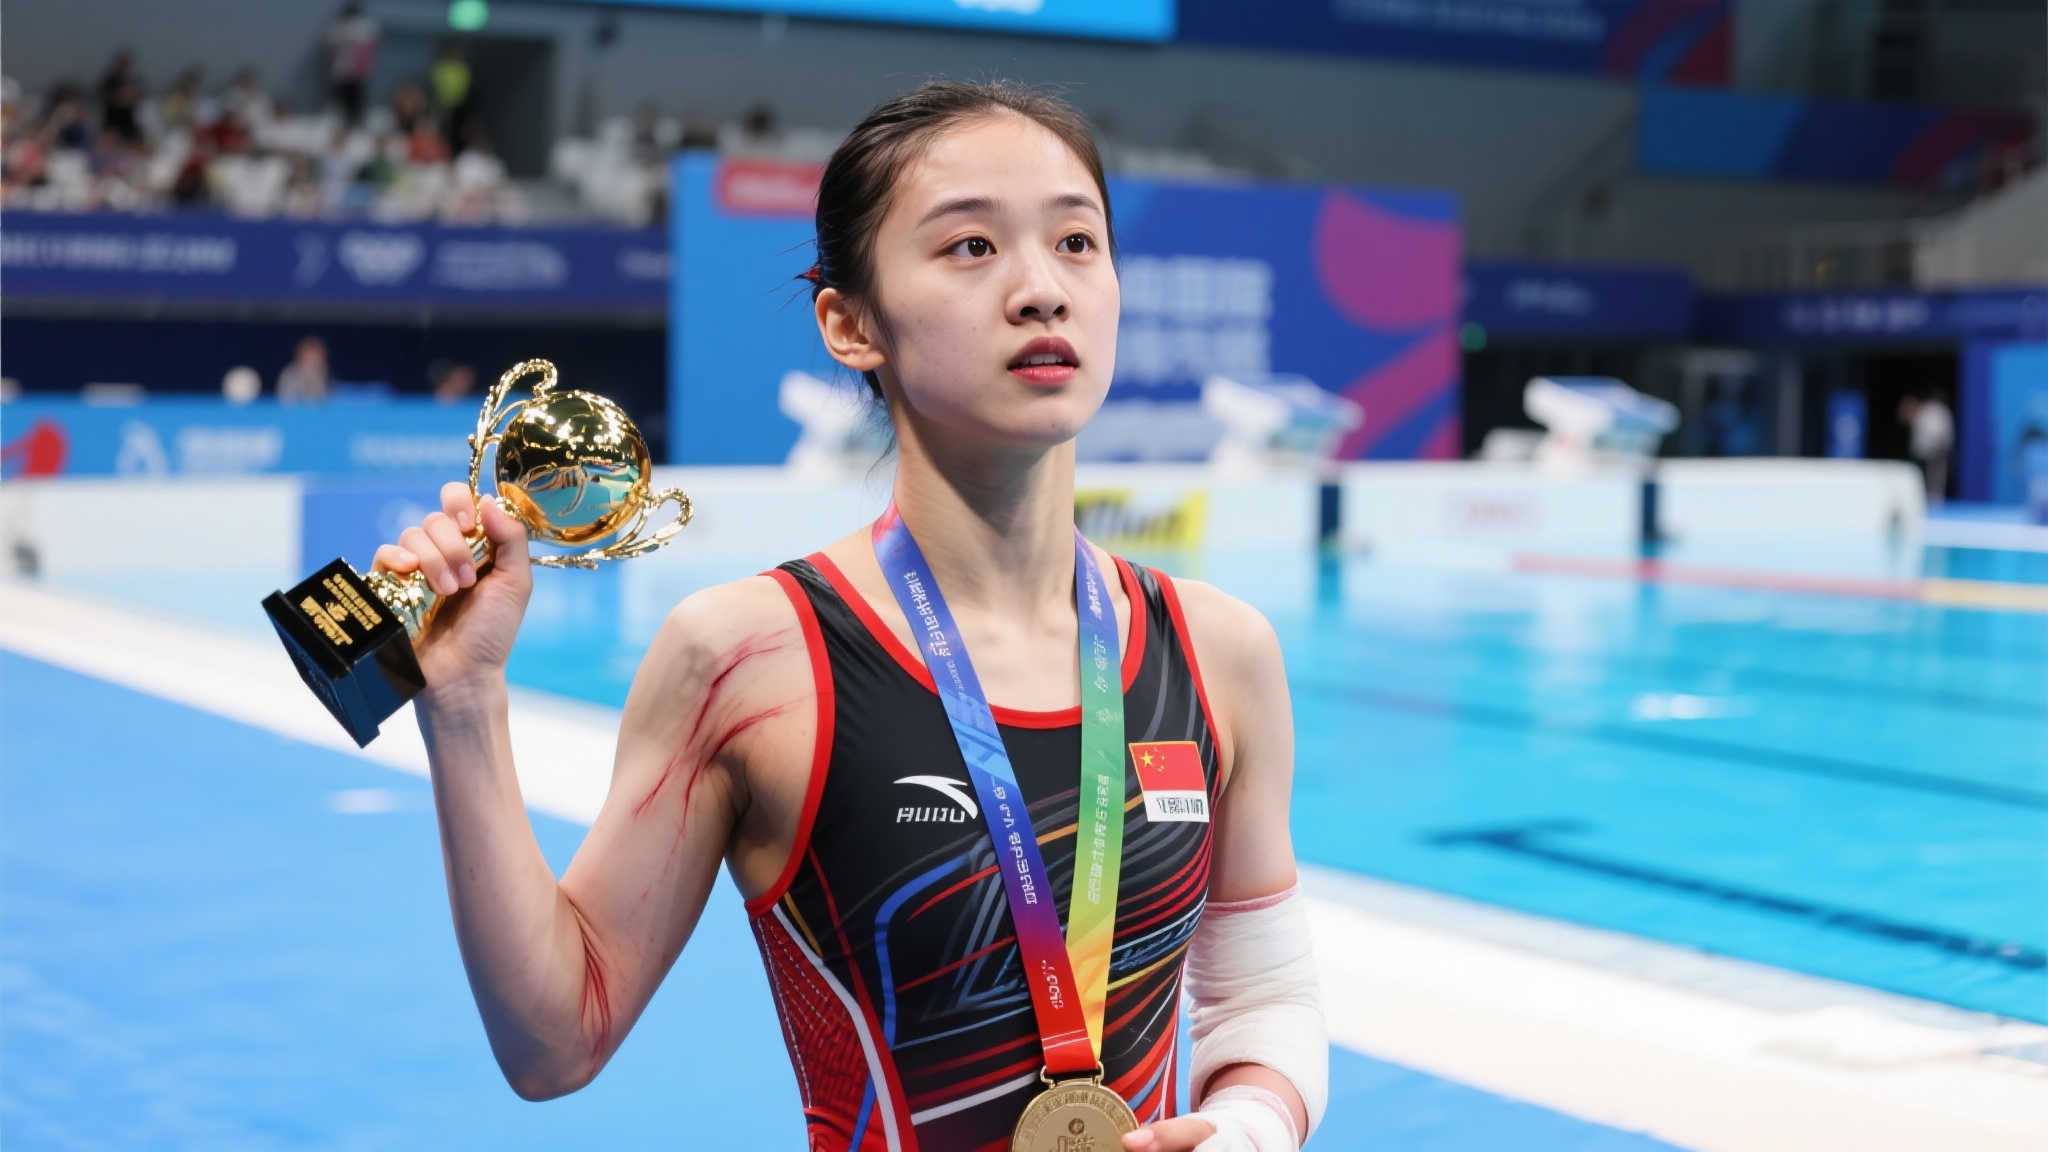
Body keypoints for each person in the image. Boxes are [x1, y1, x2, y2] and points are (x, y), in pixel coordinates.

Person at [373, 81, 1326, 1152]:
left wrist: (1248, 1128)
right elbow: (556, 1040)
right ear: (851, 323)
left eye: (1075, 242)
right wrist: (464, 705)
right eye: (971, 247)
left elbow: (1264, 999)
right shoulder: (746, 661)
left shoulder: (1218, 653)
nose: (1040, 291)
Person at [324, 2, 380, 129]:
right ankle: (343, 123)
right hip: (341, 71)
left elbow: (370, 48)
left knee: (356, 101)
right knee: (342, 100)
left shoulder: (364, 26)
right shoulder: (339, 26)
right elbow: (329, 46)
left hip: (357, 72)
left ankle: (356, 122)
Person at [1906, 388, 1954, 505]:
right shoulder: (1927, 409)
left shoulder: (1938, 410)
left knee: (1935, 475)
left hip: (1934, 448)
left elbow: (1944, 431)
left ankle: (1933, 497)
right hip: (1928, 449)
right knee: (1924, 474)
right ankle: (1925, 497)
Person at [276, 335, 330, 404]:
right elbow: (287, 400)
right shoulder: (289, 375)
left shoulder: (323, 371)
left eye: (319, 355)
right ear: (301, 355)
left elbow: (326, 398)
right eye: (312, 355)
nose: (317, 359)